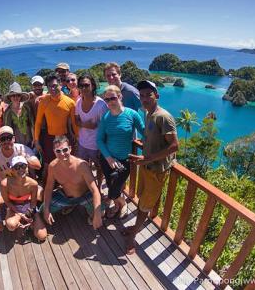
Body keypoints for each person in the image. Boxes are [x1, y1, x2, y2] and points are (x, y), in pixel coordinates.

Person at [123, 80, 179, 254]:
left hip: (157, 170)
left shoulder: (163, 117)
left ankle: (133, 236)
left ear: (157, 95)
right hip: (147, 166)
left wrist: (147, 159)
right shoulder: (148, 114)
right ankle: (135, 228)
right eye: (142, 95)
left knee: (145, 205)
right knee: (142, 199)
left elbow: (174, 146)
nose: (145, 98)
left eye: (149, 94)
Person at [97, 85, 144, 219]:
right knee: (111, 183)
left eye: (113, 98)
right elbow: (99, 140)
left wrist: (154, 147)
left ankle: (121, 203)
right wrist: (109, 158)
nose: (110, 102)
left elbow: (145, 132)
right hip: (107, 159)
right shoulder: (106, 117)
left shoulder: (131, 114)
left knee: (114, 188)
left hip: (124, 159)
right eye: (107, 100)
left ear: (120, 97)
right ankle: (119, 204)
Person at [42, 136, 103, 229]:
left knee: (101, 213)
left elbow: (94, 190)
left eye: (65, 150)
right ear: (54, 151)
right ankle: (70, 206)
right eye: (58, 151)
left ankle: (85, 209)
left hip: (84, 196)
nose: (62, 154)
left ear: (70, 149)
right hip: (66, 197)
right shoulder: (52, 166)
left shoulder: (82, 165)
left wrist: (97, 214)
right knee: (43, 210)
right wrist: (46, 209)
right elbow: (49, 188)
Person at [0, 126, 41, 203]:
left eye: (9, 138)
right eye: (3, 139)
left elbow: (38, 166)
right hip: (7, 187)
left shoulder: (22, 149)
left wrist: (24, 157)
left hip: (25, 184)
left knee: (40, 196)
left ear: (14, 139)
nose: (6, 141)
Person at [34, 75, 77, 167]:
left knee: (67, 164)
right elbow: (38, 123)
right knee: (50, 165)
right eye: (49, 86)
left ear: (60, 84)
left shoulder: (70, 103)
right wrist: (36, 141)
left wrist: (77, 138)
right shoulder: (43, 101)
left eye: (54, 85)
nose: (52, 89)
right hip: (49, 138)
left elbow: (74, 123)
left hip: (65, 137)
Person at [1, 155, 47, 241]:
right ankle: (22, 221)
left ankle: (28, 224)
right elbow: (7, 202)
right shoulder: (5, 184)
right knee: (11, 226)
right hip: (13, 207)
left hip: (28, 206)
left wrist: (30, 215)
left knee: (42, 236)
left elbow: (33, 203)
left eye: (23, 166)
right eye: (17, 167)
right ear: (12, 169)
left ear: (27, 167)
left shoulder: (33, 184)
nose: (21, 169)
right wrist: (21, 214)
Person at [74, 75, 108, 187]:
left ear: (93, 86)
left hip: (96, 145)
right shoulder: (78, 102)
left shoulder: (101, 105)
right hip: (83, 143)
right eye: (81, 86)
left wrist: (102, 147)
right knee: (83, 167)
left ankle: (98, 187)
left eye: (86, 85)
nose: (83, 88)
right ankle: (87, 187)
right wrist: (88, 125)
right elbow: (77, 121)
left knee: (100, 168)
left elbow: (105, 127)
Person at [3, 82, 34, 148]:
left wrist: (35, 140)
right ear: (10, 97)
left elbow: (32, 124)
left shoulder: (26, 107)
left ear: (21, 96)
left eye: (18, 95)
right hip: (16, 144)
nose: (15, 97)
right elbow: (7, 131)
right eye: (13, 95)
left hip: (30, 142)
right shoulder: (7, 112)